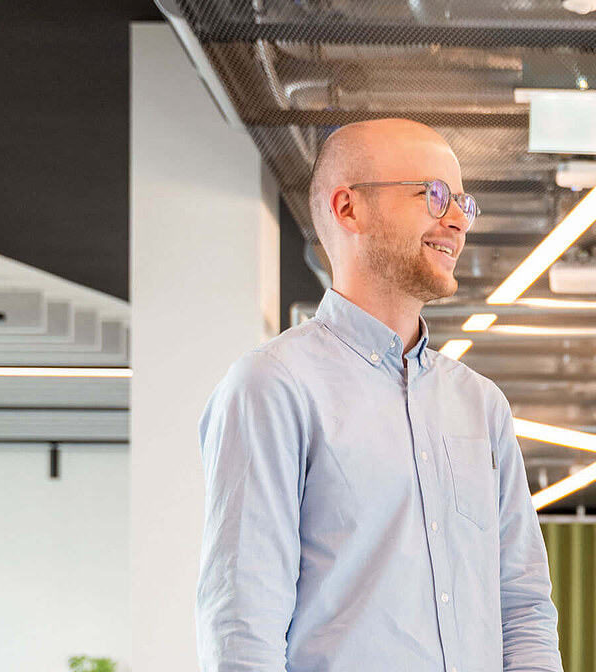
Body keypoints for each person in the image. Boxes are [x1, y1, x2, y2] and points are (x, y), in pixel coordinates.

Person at [196, 119, 562, 672]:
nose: (459, 220)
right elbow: (243, 625)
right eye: (434, 196)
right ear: (349, 209)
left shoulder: (480, 405)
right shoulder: (273, 387)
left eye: (462, 201)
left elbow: (524, 607)